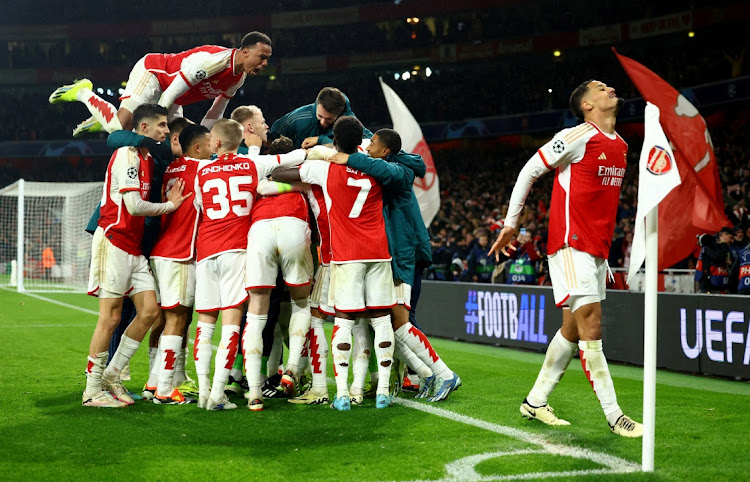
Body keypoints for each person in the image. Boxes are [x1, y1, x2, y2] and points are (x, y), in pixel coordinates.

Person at [489, 80, 643, 437]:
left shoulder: (620, 145)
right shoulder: (576, 136)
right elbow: (529, 170)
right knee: (593, 325)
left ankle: (535, 400)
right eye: (601, 88)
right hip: (571, 244)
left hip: (597, 249)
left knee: (572, 330)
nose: (610, 89)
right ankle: (614, 415)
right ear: (587, 105)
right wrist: (511, 224)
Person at [326, 128, 461, 402]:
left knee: (399, 321)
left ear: (385, 151)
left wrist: (340, 156)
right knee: (387, 322)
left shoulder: (396, 171)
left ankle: (444, 373)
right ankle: (426, 373)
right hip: (394, 252)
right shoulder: (389, 164)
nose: (368, 146)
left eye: (373, 143)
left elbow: (397, 164)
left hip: (402, 253)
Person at [273, 116, 395, 411]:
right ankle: (380, 390)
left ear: (333, 140)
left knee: (342, 319)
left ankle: (340, 392)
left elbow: (280, 172)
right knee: (377, 319)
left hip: (343, 254)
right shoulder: (378, 168)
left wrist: (320, 153)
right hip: (379, 251)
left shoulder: (322, 169)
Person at [82, 104, 191, 408]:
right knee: (110, 318)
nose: (165, 131)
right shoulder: (128, 156)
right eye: (161, 126)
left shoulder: (145, 158)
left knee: (150, 311)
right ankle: (92, 390)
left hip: (133, 246)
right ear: (144, 129)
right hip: (114, 241)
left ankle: (112, 374)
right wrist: (170, 206)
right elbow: (133, 206)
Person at [192, 119, 305, 411]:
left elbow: (200, 207)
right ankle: (218, 394)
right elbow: (292, 158)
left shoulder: (201, 170)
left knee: (205, 325)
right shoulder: (253, 165)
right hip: (236, 250)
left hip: (205, 251)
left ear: (215, 143)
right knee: (232, 324)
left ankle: (204, 391)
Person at [49, 32, 272, 136]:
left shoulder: (238, 77)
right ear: (245, 51)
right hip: (155, 74)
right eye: (261, 57)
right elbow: (171, 91)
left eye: (267, 60)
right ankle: (83, 92)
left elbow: (215, 112)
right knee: (119, 129)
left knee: (185, 138)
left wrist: (207, 137)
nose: (264, 64)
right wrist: (159, 122)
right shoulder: (213, 61)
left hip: (172, 96)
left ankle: (103, 118)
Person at [146, 124, 213, 404]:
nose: (215, 147)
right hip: (180, 253)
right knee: (178, 318)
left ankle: (154, 382)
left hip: (160, 251)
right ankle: (163, 389)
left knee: (165, 318)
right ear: (197, 147)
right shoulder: (200, 171)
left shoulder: (172, 168)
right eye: (210, 143)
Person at [269, 87, 373, 149]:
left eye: (329, 119)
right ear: (317, 105)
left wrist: (321, 140)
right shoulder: (297, 118)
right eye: (320, 116)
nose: (323, 122)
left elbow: (372, 142)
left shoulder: (347, 120)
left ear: (339, 115)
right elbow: (272, 139)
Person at [697, 227, 734, 294]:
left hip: (721, 284)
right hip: (709, 286)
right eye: (730, 238)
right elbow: (720, 257)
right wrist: (723, 244)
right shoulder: (710, 245)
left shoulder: (725, 248)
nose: (732, 241)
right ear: (723, 235)